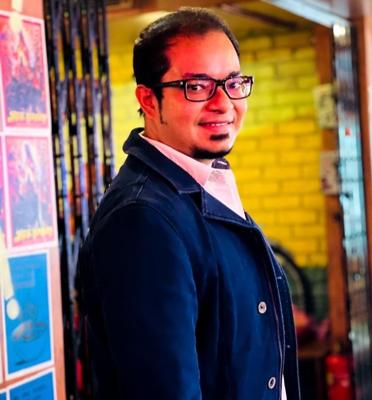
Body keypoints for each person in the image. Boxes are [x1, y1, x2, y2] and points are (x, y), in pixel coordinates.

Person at [78, 7, 300, 400]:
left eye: (232, 83)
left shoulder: (204, 185)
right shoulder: (142, 219)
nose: (223, 103)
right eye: (197, 86)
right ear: (148, 99)